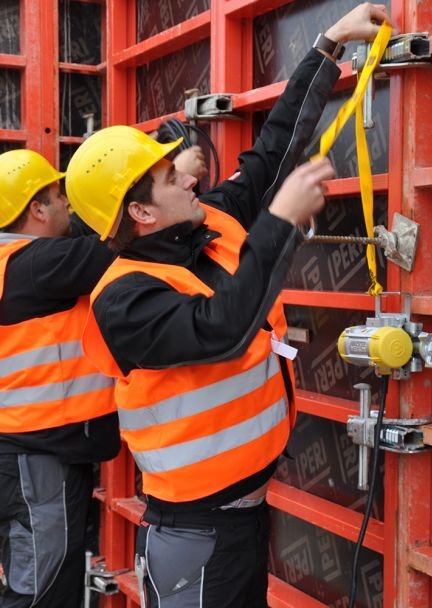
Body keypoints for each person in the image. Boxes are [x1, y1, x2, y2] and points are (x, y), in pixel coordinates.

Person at [65, 4, 393, 607]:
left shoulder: (208, 222)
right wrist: (280, 222)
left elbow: (273, 152)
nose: (191, 178)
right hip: (194, 533)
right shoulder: (123, 299)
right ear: (140, 212)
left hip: (241, 519)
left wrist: (329, 45)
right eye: (172, 177)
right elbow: (221, 330)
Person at [0, 149, 120, 608]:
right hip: (36, 464)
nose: (68, 203)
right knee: (41, 593)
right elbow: (118, 244)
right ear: (37, 209)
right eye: (59, 195)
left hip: (25, 457)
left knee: (36, 581)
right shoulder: (38, 263)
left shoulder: (15, 262)